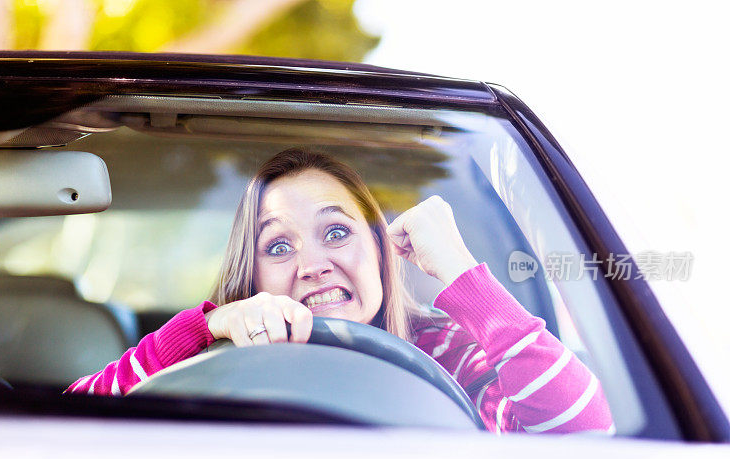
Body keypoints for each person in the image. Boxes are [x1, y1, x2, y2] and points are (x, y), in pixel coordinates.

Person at [67, 148, 614, 435]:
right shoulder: (210, 361)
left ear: (379, 252)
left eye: (336, 232)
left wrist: (460, 270)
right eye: (278, 247)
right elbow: (66, 425)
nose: (313, 265)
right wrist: (208, 326)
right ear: (251, 278)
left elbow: (580, 431)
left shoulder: (450, 353)